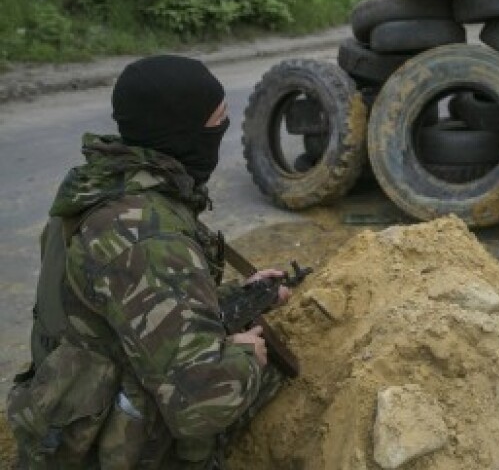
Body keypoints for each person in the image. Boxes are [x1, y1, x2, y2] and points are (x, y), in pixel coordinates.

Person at [7, 55, 291, 468]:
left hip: (69, 417)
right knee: (269, 379)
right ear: (182, 131)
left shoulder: (101, 189)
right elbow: (203, 403)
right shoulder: (147, 236)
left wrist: (238, 296)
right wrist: (247, 356)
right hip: (104, 451)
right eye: (217, 120)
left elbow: (127, 305)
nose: (222, 130)